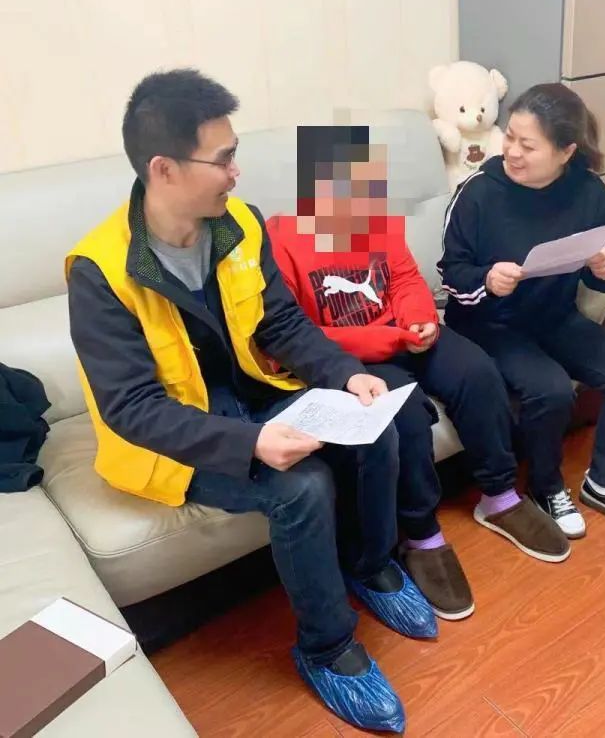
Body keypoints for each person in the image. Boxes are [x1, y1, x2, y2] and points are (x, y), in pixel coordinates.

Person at [65, 70, 436, 734]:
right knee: (303, 487)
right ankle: (326, 649)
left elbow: (282, 323)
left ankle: (372, 564)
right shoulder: (100, 270)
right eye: (224, 158)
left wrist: (344, 374)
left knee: (374, 427)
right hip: (176, 440)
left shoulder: (238, 223)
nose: (236, 172)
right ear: (165, 169)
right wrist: (250, 443)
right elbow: (132, 408)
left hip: (255, 392)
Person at [268, 125, 569, 621]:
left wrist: (420, 320)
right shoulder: (281, 239)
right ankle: (421, 534)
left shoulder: (376, 222)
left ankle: (499, 495)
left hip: (403, 333)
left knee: (476, 370)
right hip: (355, 358)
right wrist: (390, 338)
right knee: (406, 414)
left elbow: (407, 279)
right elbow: (296, 333)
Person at [438, 83, 605, 540]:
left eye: (528, 145)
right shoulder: (477, 193)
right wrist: (487, 279)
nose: (512, 151)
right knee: (551, 389)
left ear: (566, 152)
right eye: (510, 137)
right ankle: (545, 488)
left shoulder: (588, 191)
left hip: (554, 318)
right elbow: (451, 273)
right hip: (489, 324)